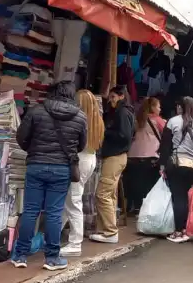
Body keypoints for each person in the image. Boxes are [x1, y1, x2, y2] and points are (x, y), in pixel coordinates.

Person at [12, 80, 87, 270]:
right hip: (61, 168)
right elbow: (81, 145)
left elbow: (21, 137)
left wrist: (34, 150)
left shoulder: (37, 111)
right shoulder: (80, 117)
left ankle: (20, 255)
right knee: (54, 213)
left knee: (30, 211)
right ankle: (52, 258)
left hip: (36, 165)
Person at [61, 89, 104, 257]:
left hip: (79, 160)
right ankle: (53, 233)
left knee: (73, 201)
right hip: (90, 158)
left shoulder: (78, 119)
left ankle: (75, 243)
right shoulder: (97, 120)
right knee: (70, 198)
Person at [91, 85, 134, 244]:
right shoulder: (124, 112)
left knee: (102, 193)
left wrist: (104, 131)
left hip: (115, 156)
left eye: (113, 97)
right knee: (110, 194)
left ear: (121, 96)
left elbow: (124, 135)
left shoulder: (122, 113)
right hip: (118, 156)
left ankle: (110, 232)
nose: (111, 100)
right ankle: (105, 230)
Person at [163, 96, 193, 244]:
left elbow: (165, 146)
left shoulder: (173, 121)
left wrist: (162, 165)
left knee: (178, 197)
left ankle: (179, 231)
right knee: (184, 198)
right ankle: (185, 229)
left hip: (178, 164)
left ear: (180, 107)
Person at [124, 96, 165, 216]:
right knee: (149, 184)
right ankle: (146, 209)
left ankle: (135, 207)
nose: (160, 108)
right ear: (152, 107)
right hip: (151, 156)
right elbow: (167, 133)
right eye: (158, 106)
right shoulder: (158, 120)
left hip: (133, 155)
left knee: (135, 182)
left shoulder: (137, 119)